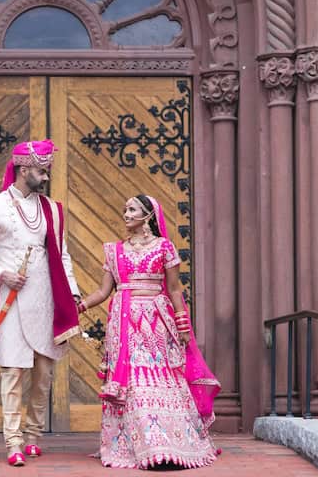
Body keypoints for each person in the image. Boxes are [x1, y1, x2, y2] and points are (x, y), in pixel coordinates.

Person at [77, 195, 220, 469]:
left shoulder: (164, 247)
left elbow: (175, 289)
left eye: (132, 210)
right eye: (125, 210)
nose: (126, 214)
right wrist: (79, 307)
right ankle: (146, 449)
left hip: (156, 322)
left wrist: (183, 325)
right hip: (124, 325)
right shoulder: (115, 251)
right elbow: (103, 291)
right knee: (135, 384)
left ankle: (172, 446)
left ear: (148, 216)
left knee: (159, 380)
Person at [0, 140, 82, 467]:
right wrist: (1, 274)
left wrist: (72, 291)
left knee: (43, 374)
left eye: (46, 172)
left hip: (45, 299)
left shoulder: (53, 210)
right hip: (9, 300)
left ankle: (32, 436)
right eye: (41, 171)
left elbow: (63, 255)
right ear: (23, 168)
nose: (45, 178)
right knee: (13, 371)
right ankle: (13, 441)